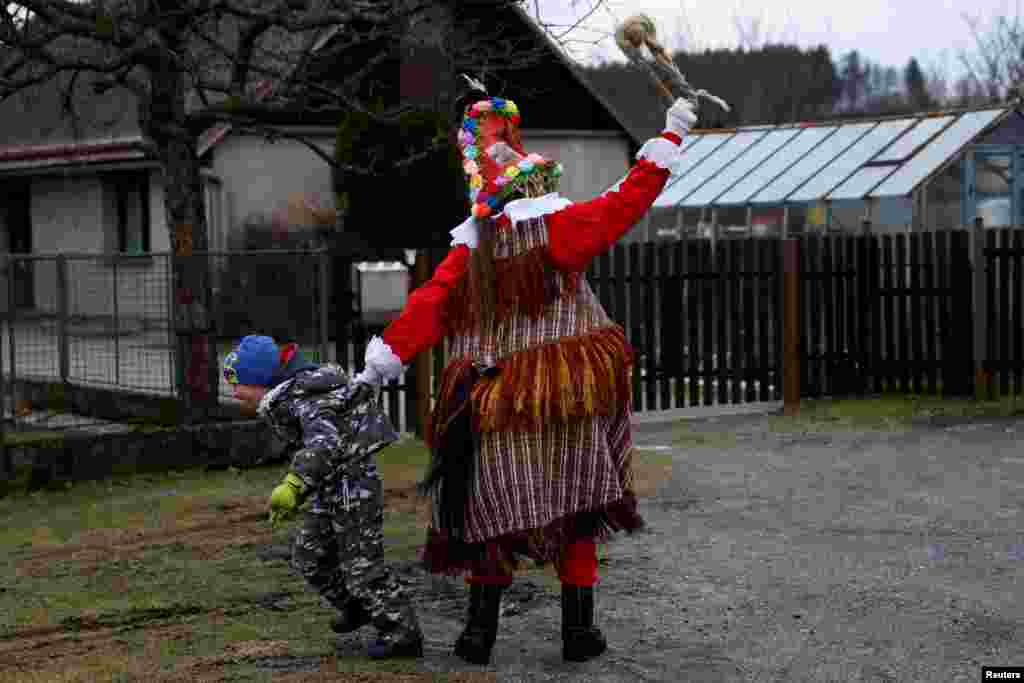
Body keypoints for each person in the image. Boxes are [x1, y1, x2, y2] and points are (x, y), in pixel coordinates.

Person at [353, 80, 697, 665]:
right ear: (534, 183)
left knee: (493, 507)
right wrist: (670, 135)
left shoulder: (471, 252)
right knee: (577, 504)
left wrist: (382, 361)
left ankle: (478, 635)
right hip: (563, 397)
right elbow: (623, 205)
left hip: (494, 398)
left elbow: (428, 306)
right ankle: (578, 633)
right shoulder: (559, 231)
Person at [222, 335, 424, 659]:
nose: (234, 392)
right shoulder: (287, 396)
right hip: (329, 483)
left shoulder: (307, 397)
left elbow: (324, 445)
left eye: (238, 384)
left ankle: (402, 633)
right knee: (308, 554)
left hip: (351, 483)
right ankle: (356, 607)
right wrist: (299, 492)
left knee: (362, 565)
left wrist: (293, 484)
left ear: (259, 380)